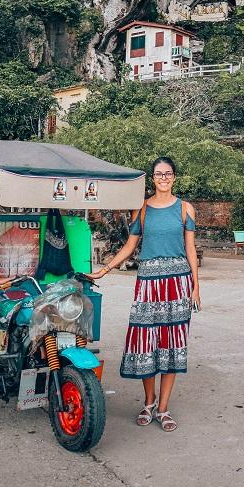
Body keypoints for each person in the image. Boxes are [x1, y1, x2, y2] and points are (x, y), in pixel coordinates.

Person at [94, 157, 200, 432]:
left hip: (178, 285)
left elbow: (190, 250)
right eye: (158, 174)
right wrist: (106, 269)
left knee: (171, 345)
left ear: (174, 177)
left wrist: (196, 286)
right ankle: (149, 402)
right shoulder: (142, 210)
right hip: (149, 285)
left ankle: (163, 408)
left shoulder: (185, 209)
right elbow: (130, 247)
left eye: (168, 174)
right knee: (146, 343)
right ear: (153, 178)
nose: (163, 178)